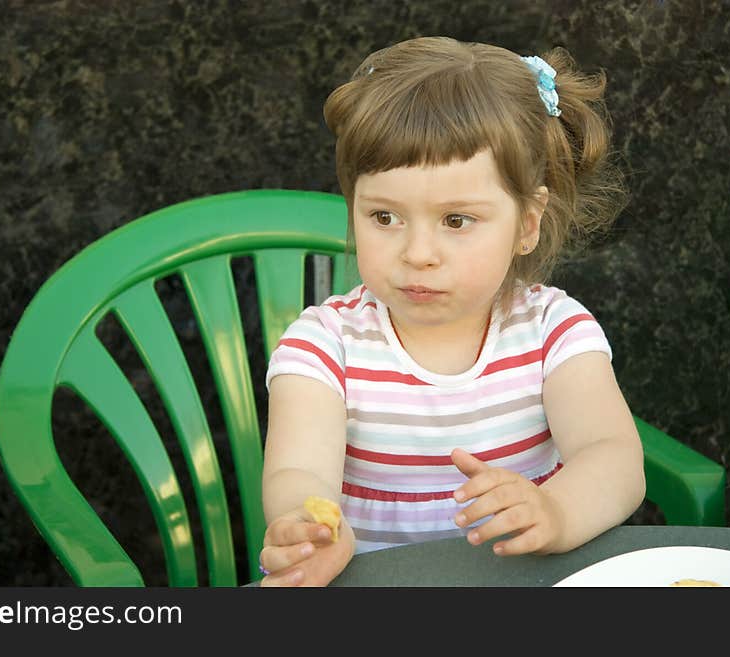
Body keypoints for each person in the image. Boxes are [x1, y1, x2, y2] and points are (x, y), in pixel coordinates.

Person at [259, 36, 646, 587]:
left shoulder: (551, 332)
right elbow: (299, 470)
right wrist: (309, 525)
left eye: (457, 220)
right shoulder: (325, 344)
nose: (417, 253)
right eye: (384, 217)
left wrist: (555, 511)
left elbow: (613, 456)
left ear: (528, 223)